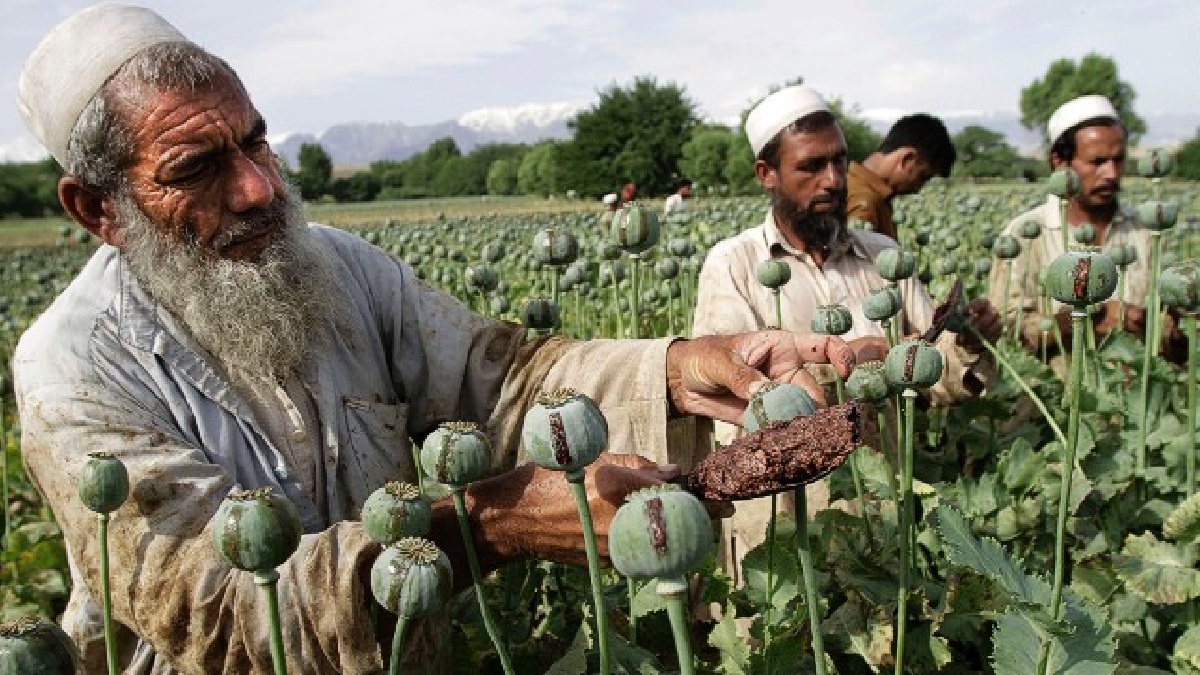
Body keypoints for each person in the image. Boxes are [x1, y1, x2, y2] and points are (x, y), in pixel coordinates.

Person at [12, 6, 857, 673]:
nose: (258, 188)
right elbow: (224, 615)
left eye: (257, 140)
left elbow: (508, 381)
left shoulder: (335, 267)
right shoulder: (73, 370)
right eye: (196, 167)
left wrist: (678, 366)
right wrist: (489, 527)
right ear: (98, 209)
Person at [691, 85, 999, 582]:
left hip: (880, 517)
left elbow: (932, 374)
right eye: (811, 167)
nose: (833, 181)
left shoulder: (883, 257)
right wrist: (849, 361)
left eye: (839, 161)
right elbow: (729, 397)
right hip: (784, 534)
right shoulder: (733, 265)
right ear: (767, 174)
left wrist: (964, 342)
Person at [985, 94, 1179, 360]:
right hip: (1052, 397)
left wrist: (1149, 324)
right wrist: (1087, 319)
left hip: (1137, 394)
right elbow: (1005, 330)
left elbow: (1176, 326)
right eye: (1097, 162)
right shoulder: (1024, 235)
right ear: (1060, 162)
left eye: (1118, 159)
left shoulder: (1147, 233)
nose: (1111, 173)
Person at [847, 113, 955, 241]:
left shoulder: (854, 185)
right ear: (907, 159)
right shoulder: (865, 203)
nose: (917, 190)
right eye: (923, 177)